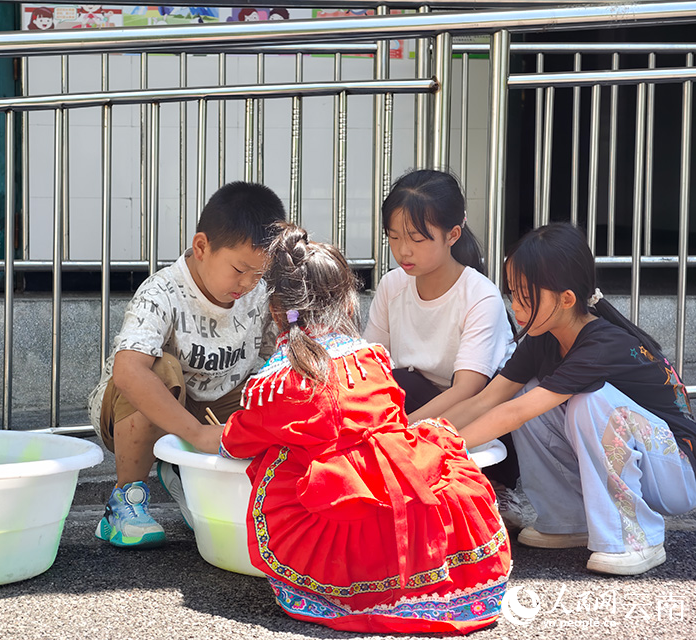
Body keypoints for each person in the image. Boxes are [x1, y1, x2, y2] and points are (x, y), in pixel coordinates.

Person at [220, 223, 511, 634]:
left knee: (277, 457)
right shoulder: (372, 360)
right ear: (347, 302)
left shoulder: (275, 384)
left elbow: (234, 443)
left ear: (274, 309)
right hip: (413, 508)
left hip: (343, 525)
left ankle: (346, 594)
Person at [445, 222, 696, 576]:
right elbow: (487, 400)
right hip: (649, 461)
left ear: (566, 299)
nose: (516, 307)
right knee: (529, 389)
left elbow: (515, 413)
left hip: (677, 474)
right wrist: (420, 435)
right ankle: (568, 521)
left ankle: (636, 538)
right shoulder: (543, 335)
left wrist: (442, 447)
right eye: (513, 294)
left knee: (585, 403)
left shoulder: (602, 343)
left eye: (527, 298)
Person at [87, 181, 286, 548]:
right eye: (239, 269)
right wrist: (196, 434)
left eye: (259, 274)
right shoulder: (161, 291)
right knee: (158, 369)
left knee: (275, 383)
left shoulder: (260, 294)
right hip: (143, 411)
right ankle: (124, 501)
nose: (248, 283)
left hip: (220, 402)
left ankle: (192, 479)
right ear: (201, 246)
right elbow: (128, 371)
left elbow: (282, 359)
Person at [362, 169, 520, 504]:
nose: (404, 250)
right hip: (414, 406)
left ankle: (499, 490)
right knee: (390, 383)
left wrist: (399, 430)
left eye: (417, 239)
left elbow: (470, 390)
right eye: (394, 237)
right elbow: (370, 366)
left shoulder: (480, 296)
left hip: (473, 418)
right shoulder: (392, 286)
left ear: (453, 234)